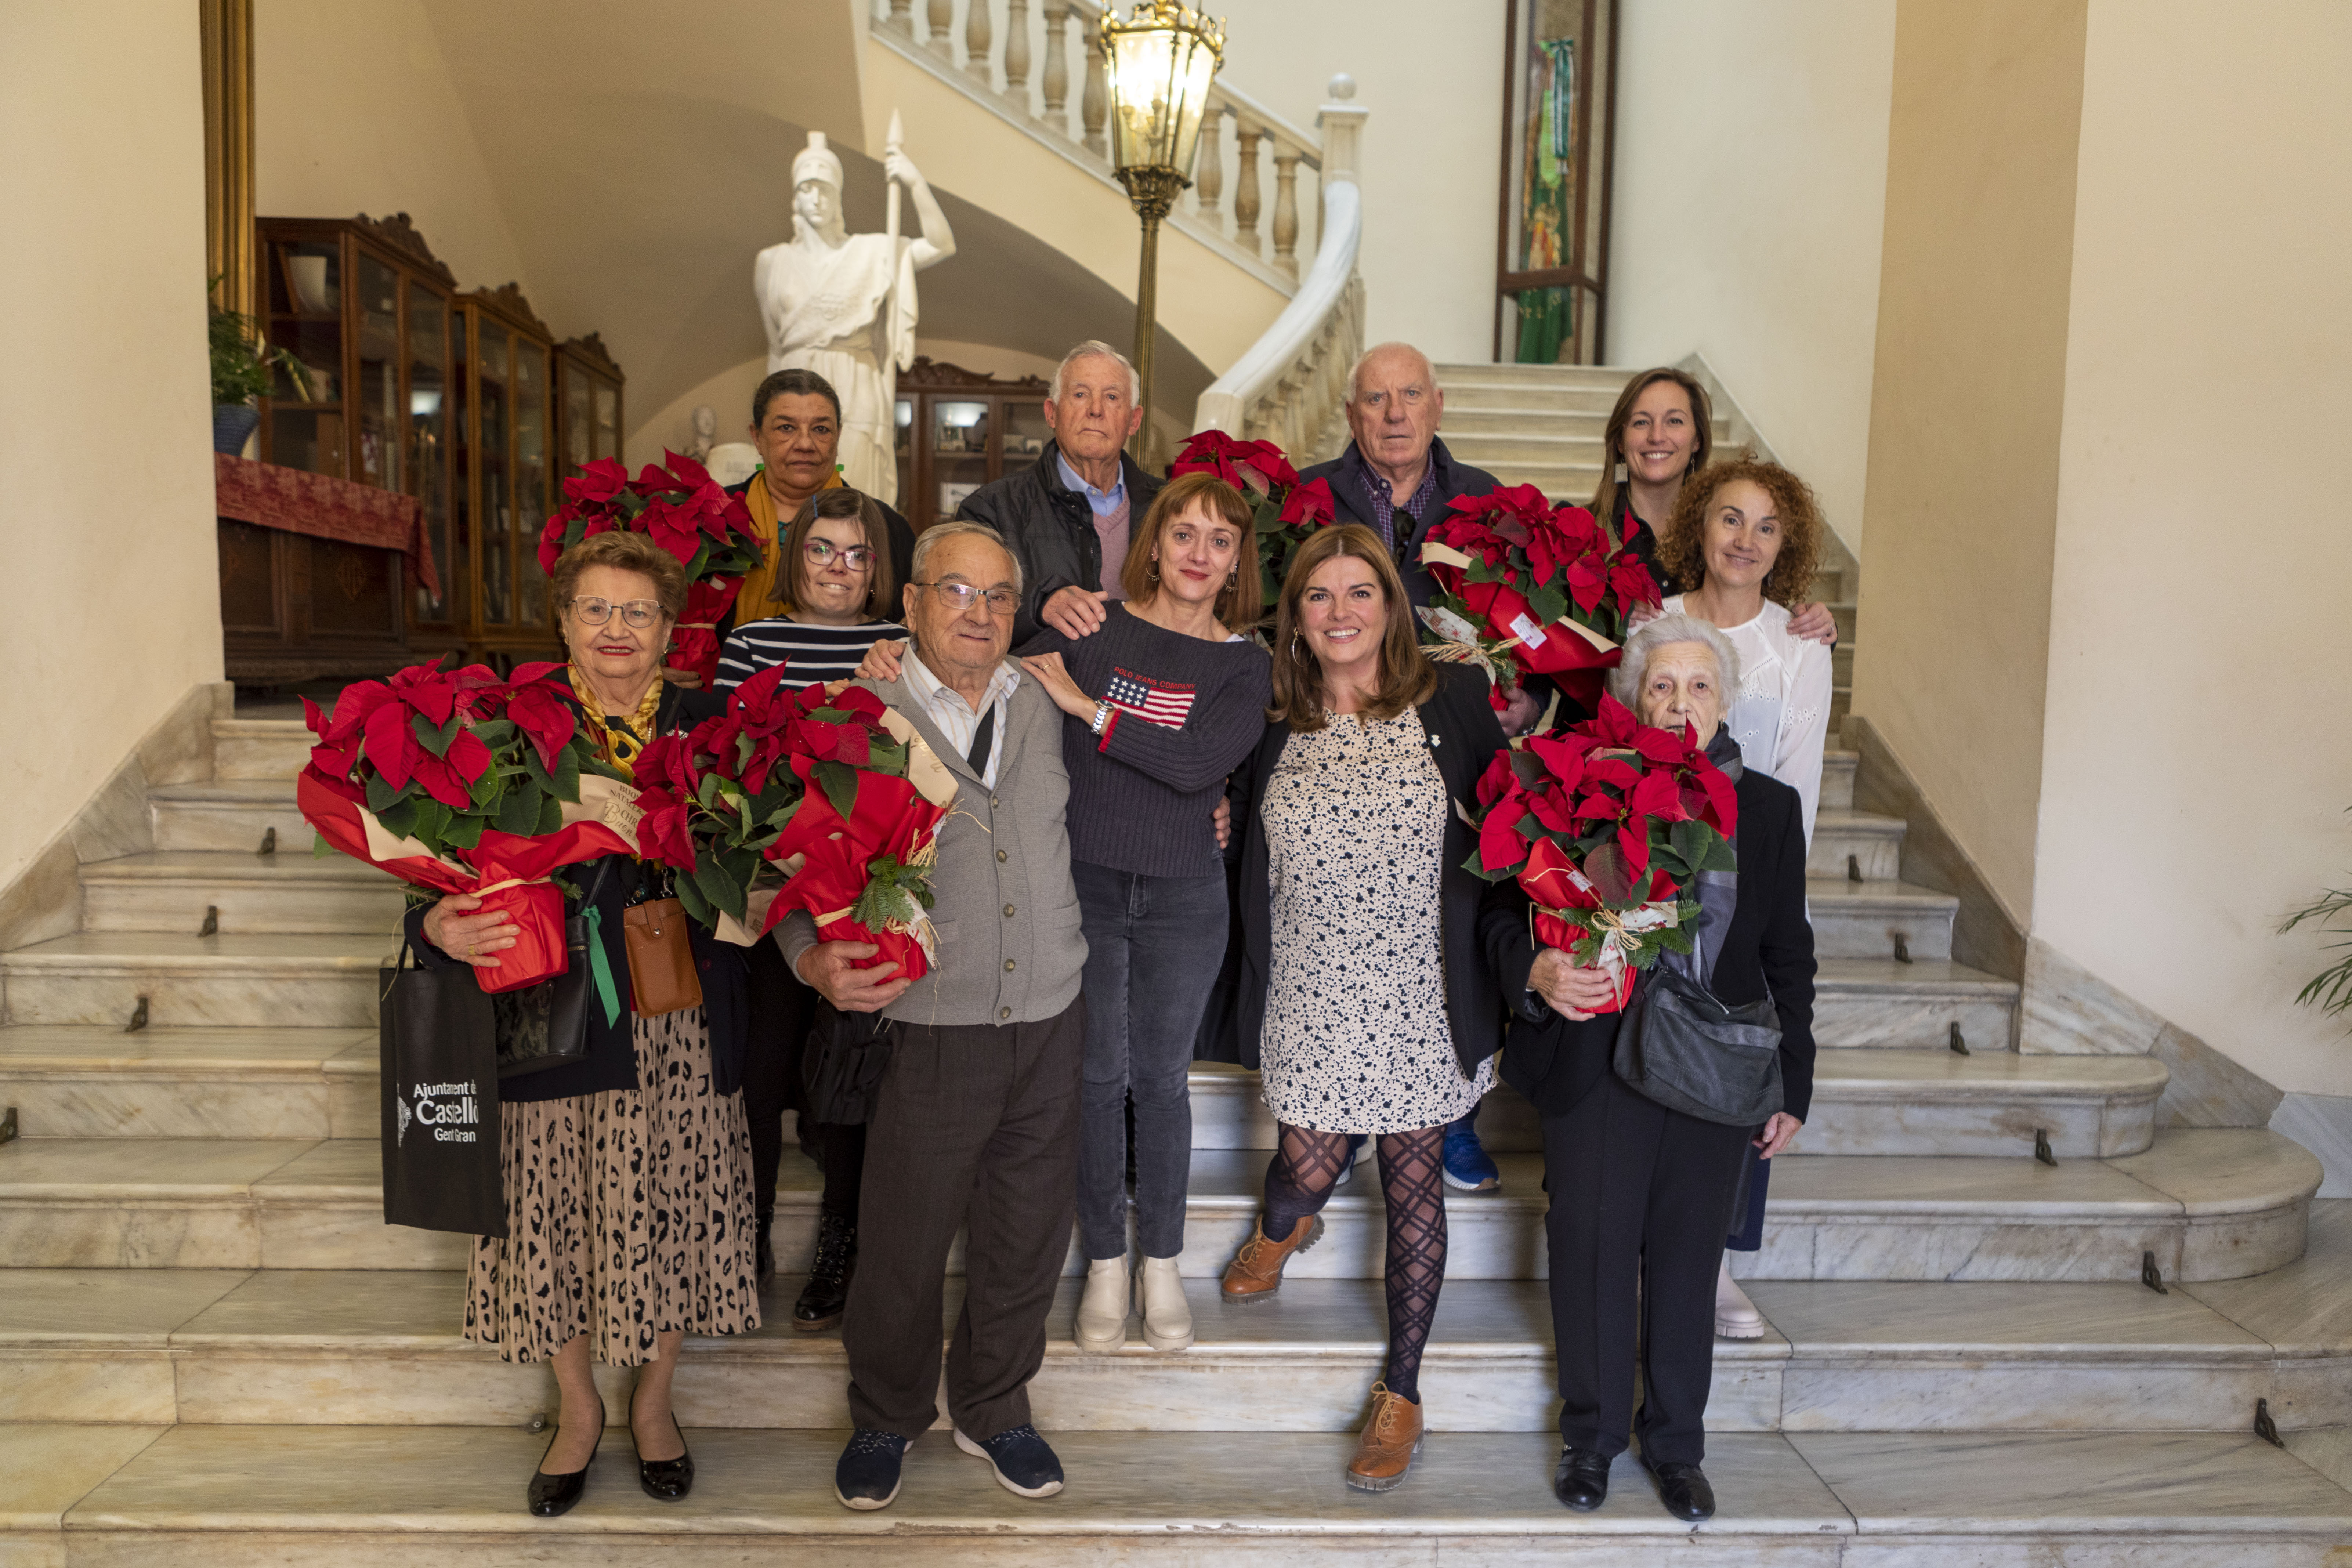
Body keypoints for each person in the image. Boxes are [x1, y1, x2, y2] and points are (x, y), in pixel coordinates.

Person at [409, 529, 757, 1517]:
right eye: (596, 609)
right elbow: (435, 855)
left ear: (669, 628)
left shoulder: (714, 723)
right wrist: (434, 920)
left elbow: (770, 857)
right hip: (546, 1004)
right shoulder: (503, 727)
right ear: (562, 619)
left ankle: (654, 1402)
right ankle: (575, 1410)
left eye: (636, 611)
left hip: (680, 1008)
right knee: (548, 1209)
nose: (616, 628)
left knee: (676, 1206)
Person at [1479, 611, 1817, 1524]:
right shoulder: (1578, 790)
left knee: (1684, 1259)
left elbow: (1788, 952)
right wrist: (1540, 971)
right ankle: (1589, 1439)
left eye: (1699, 685)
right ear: (1631, 700)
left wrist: (1794, 1080)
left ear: (1726, 700)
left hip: (1716, 1068)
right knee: (1589, 1253)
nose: (1679, 704)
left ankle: (1676, 1446)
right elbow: (1501, 922)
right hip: (1599, 1059)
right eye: (1660, 686)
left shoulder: (1771, 811)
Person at [780, 522, 1087, 1512]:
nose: (980, 612)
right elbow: (775, 867)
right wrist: (811, 958)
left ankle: (994, 1402)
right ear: (908, 602)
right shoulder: (856, 712)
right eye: (956, 590)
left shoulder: (1042, 699)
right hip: (925, 1023)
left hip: (1048, 1016)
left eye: (999, 596)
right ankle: (886, 1409)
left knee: (1026, 1229)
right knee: (904, 1235)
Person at [1215, 524, 1506, 1493]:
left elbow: (1509, 820)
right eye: (1317, 596)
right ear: (1294, 617)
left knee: (1413, 1184)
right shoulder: (1263, 714)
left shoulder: (1453, 697)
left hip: (1422, 986)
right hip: (1305, 986)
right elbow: (1213, 805)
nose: (1339, 613)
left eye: (1358, 593)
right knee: (1305, 1164)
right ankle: (1287, 1221)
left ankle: (1402, 1388)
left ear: (1390, 605)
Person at [1296, 340, 1520, 1189]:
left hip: (1455, 735)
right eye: (1376, 400)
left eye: (1410, 396)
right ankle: (1349, 1114)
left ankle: (1452, 1111)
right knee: (1345, 920)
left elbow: (1522, 621)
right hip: (1340, 728)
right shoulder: (1309, 497)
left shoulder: (1489, 502)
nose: (1394, 415)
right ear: (1352, 414)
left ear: (1437, 406)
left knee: (1454, 916)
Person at [716, 486, 905, 1332]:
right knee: (760, 1070)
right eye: (822, 550)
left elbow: (916, 760)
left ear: (877, 567)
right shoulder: (753, 641)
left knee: (848, 1082)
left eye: (857, 553)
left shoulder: (900, 645)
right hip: (768, 887)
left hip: (864, 891)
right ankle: (744, 1239)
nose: (839, 566)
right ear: (795, 559)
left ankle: (843, 1239)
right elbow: (727, 761)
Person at [1654, 453, 1834, 1340]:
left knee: (1736, 1055)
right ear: (1700, 524)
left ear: (1785, 546)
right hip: (1655, 865)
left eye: (1767, 526)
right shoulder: (1654, 621)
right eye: (1731, 518)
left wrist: (1777, 911)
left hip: (1750, 879)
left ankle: (1716, 1264)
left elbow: (1796, 780)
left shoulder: (1800, 644)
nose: (1746, 539)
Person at [755, 130, 955, 503]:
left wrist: (914, 182)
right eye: (806, 189)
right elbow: (775, 348)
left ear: (838, 197)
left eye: (824, 189)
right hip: (796, 377)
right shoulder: (772, 262)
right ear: (795, 197)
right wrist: (770, 415)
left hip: (856, 380)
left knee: (856, 494)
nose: (816, 198)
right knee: (794, 496)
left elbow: (941, 244)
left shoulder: (870, 252)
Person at [1592, 368, 1838, 647]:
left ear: (1698, 440)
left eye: (1674, 421)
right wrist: (1611, 614)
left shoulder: (1726, 532)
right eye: (1640, 423)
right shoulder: (1579, 530)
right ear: (1620, 442)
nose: (1657, 436)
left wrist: (1816, 625)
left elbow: (1766, 628)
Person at [956, 340, 1166, 648]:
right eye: (1080, 395)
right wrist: (1039, 604)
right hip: (1032, 689)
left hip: (1146, 687)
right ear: (1052, 413)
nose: (1096, 410)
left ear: (1134, 421)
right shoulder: (991, 508)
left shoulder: (1170, 507)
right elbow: (960, 605)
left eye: (1111, 397)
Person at [717, 368, 918, 649]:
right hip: (728, 683)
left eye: (821, 429)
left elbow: (910, 623)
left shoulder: (886, 526)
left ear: (838, 437)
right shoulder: (713, 518)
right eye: (786, 427)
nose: (805, 444)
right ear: (757, 437)